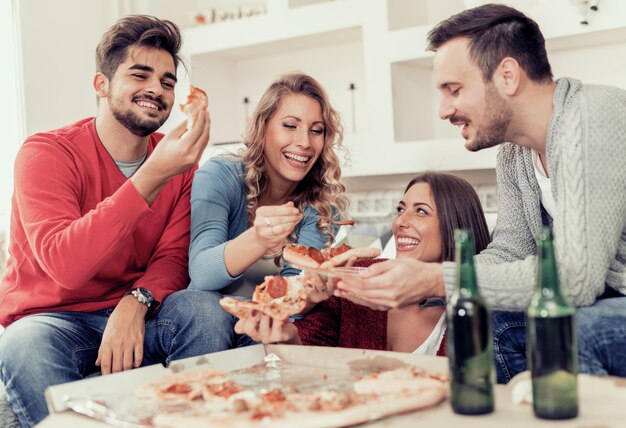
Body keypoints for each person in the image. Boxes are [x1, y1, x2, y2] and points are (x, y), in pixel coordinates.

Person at [337, 4, 626, 383]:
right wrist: (417, 272)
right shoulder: (514, 153)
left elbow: (575, 278)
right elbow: (511, 250)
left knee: (578, 330)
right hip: (607, 300)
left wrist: (435, 280)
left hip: (605, 303)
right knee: (484, 320)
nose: (444, 110)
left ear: (507, 75)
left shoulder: (592, 115)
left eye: (454, 90)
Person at [0, 15, 226, 427]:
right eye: (140, 75)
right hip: (54, 321)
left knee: (205, 310)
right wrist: (152, 176)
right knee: (23, 344)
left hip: (141, 310)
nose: (156, 89)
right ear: (101, 85)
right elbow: (66, 265)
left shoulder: (181, 166)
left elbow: (174, 257)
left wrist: (136, 302)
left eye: (168, 81)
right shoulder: (45, 154)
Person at [235, 172, 491, 354]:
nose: (401, 222)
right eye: (400, 209)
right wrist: (287, 334)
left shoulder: (481, 302)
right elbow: (311, 354)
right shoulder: (355, 276)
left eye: (421, 211)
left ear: (457, 227)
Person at [188, 72, 349, 348]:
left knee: (271, 335)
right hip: (203, 316)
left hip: (264, 324)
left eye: (316, 130)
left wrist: (310, 295)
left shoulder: (323, 203)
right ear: (263, 127)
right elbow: (201, 274)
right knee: (205, 311)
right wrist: (259, 239)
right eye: (290, 125)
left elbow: (290, 298)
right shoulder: (220, 175)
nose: (305, 142)